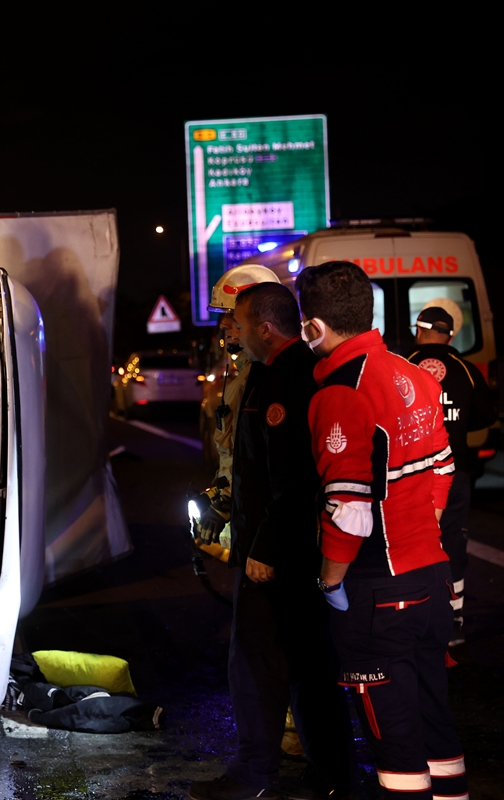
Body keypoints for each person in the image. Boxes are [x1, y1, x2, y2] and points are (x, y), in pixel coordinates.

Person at [299, 262, 467, 800]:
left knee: (393, 742)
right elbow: (444, 467)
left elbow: (349, 511)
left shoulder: (341, 392)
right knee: (434, 719)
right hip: (431, 579)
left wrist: (329, 583)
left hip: (379, 592)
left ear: (313, 328)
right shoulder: (414, 372)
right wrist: (423, 531)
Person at [189, 283, 350, 800]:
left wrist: (263, 547)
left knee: (257, 665)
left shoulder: (284, 381)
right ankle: (332, 774)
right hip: (293, 550)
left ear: (265, 326)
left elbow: (293, 478)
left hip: (277, 555)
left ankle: (253, 776)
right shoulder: (275, 374)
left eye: (237, 320)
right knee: (308, 663)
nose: (231, 330)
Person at [407, 304, 496, 645]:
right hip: (455, 471)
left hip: (410, 472)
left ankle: (412, 609)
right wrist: (454, 426)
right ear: (451, 335)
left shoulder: (402, 365)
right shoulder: (467, 369)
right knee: (452, 540)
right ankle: (454, 613)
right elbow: (485, 417)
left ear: (419, 330)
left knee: (409, 539)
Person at [196, 265, 283, 547]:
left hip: (264, 527)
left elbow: (258, 461)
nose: (224, 325)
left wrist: (224, 504)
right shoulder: (243, 375)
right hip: (250, 518)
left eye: (232, 316)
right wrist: (219, 495)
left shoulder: (265, 378)